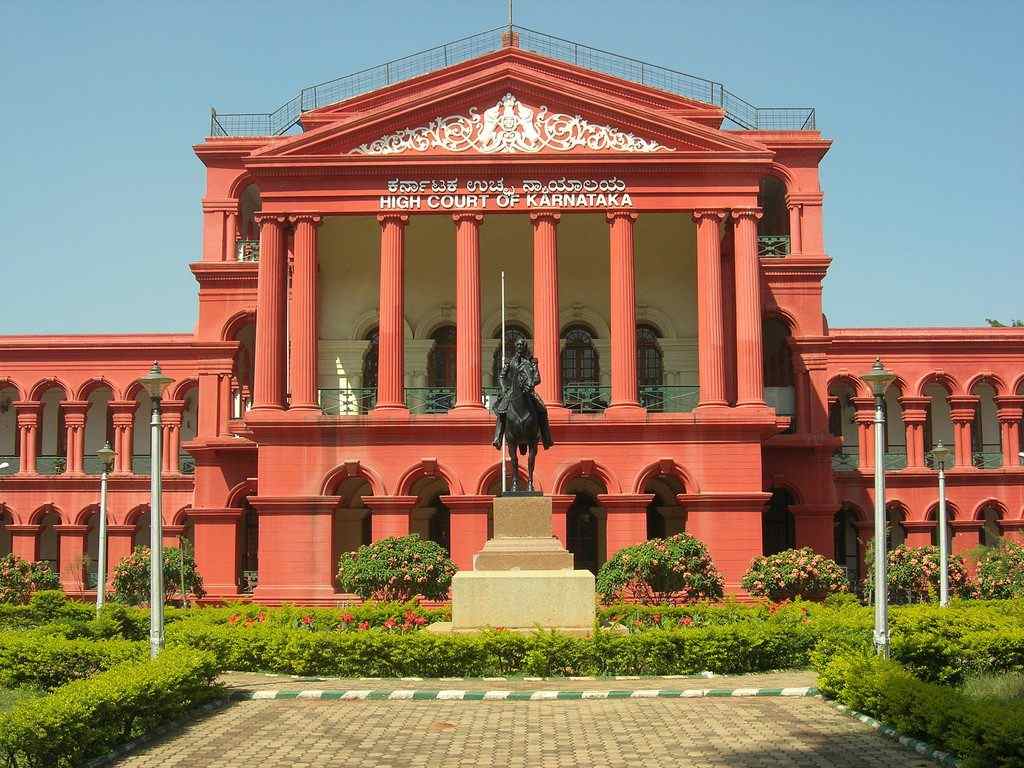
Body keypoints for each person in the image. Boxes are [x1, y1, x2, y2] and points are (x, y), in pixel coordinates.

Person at [492, 338, 553, 450]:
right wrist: (505, 388)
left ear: (525, 347)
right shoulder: (510, 362)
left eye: (522, 345)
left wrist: (530, 384)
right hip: (511, 391)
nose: (520, 347)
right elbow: (502, 377)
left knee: (543, 409)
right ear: (516, 347)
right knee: (501, 410)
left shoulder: (531, 362)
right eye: (518, 345)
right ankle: (498, 438)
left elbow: (537, 378)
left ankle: (546, 438)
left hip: (528, 390)